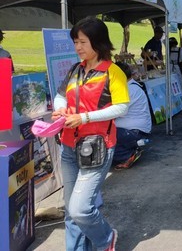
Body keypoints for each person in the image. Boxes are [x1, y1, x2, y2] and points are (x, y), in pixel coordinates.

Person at [51, 17, 129, 251]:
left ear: (98, 42)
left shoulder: (112, 72)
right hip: (68, 145)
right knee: (70, 212)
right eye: (75, 42)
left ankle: (106, 239)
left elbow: (122, 107)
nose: (78, 48)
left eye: (83, 42)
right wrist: (60, 108)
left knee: (80, 208)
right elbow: (60, 94)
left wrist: (84, 117)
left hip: (97, 146)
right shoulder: (76, 69)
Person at [113, 62, 152, 170]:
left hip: (135, 131)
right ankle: (129, 150)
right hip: (135, 130)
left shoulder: (129, 90)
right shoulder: (131, 86)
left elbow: (116, 111)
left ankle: (127, 155)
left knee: (105, 136)